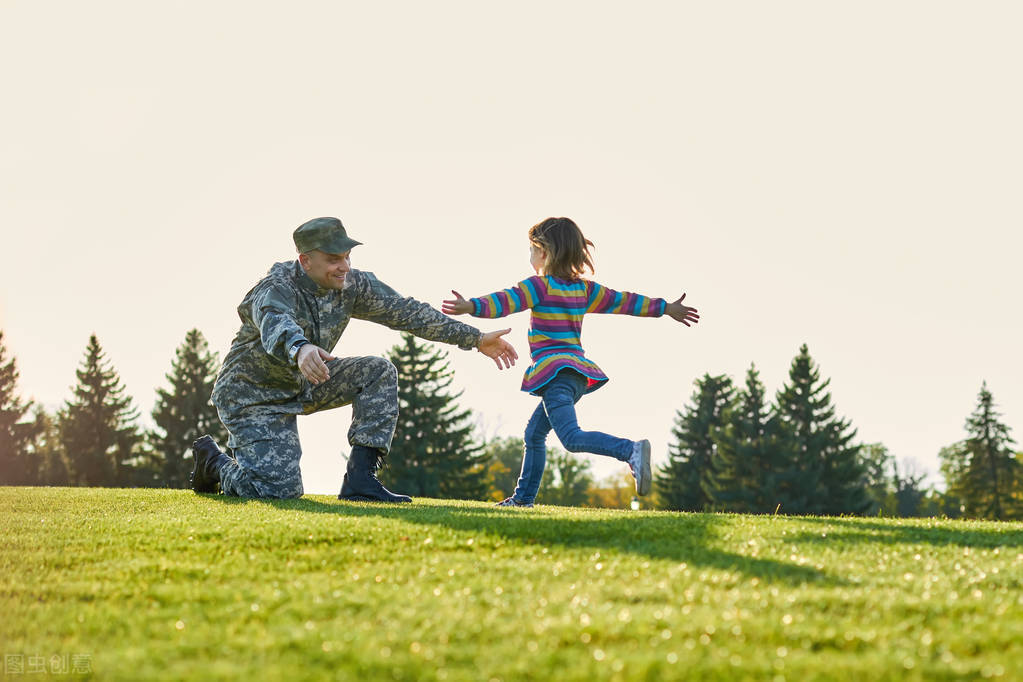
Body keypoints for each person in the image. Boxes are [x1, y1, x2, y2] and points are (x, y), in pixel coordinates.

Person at [190, 216, 518, 503]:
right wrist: (300, 348)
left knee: (377, 372)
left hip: (307, 381)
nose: (344, 266)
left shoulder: (353, 285)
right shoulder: (275, 287)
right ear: (305, 261)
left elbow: (409, 312)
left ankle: (360, 480)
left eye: (347, 256)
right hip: (250, 396)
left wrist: (474, 338)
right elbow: (275, 321)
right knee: (277, 490)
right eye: (334, 258)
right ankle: (214, 464)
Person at [442, 216, 698, 507]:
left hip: (556, 374)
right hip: (576, 376)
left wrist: (470, 306)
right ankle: (523, 499)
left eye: (531, 249)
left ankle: (631, 450)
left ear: (544, 252)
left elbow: (505, 301)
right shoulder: (585, 290)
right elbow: (624, 301)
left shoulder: (539, 287)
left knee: (571, 438)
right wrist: (665, 308)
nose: (529, 256)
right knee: (534, 434)